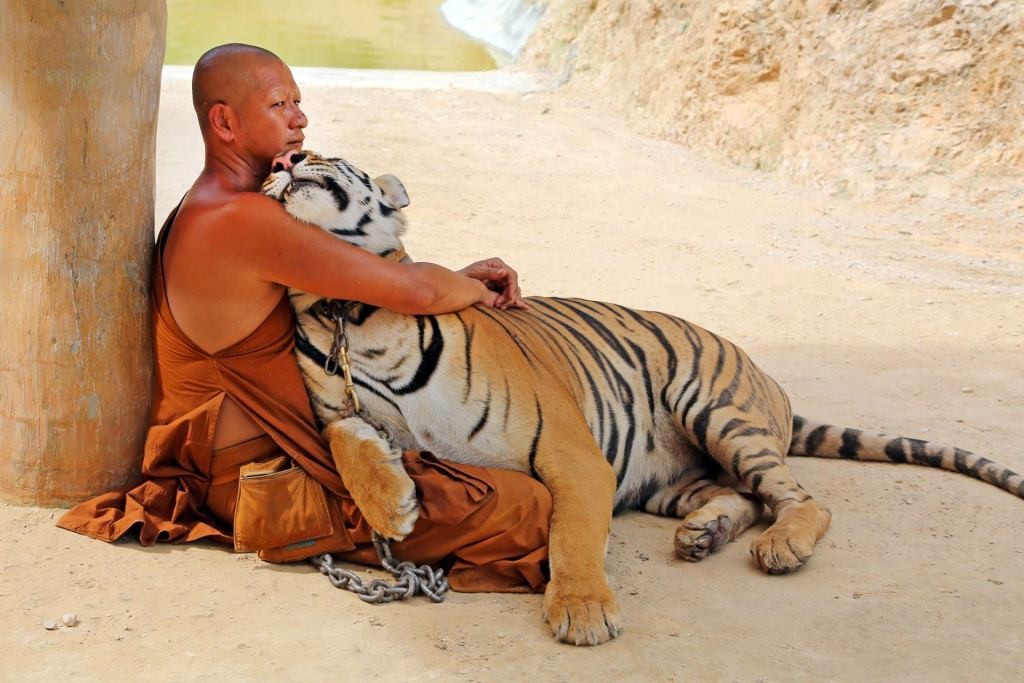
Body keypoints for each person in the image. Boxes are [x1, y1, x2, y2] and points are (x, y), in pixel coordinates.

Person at [58, 43, 551, 593]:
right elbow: (411, 290)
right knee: (525, 508)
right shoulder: (238, 219)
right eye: (279, 105)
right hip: (259, 483)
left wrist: (454, 279)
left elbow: (373, 281)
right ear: (223, 121)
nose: (300, 118)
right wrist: (473, 289)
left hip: (268, 463)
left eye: (298, 101)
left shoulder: (223, 202)